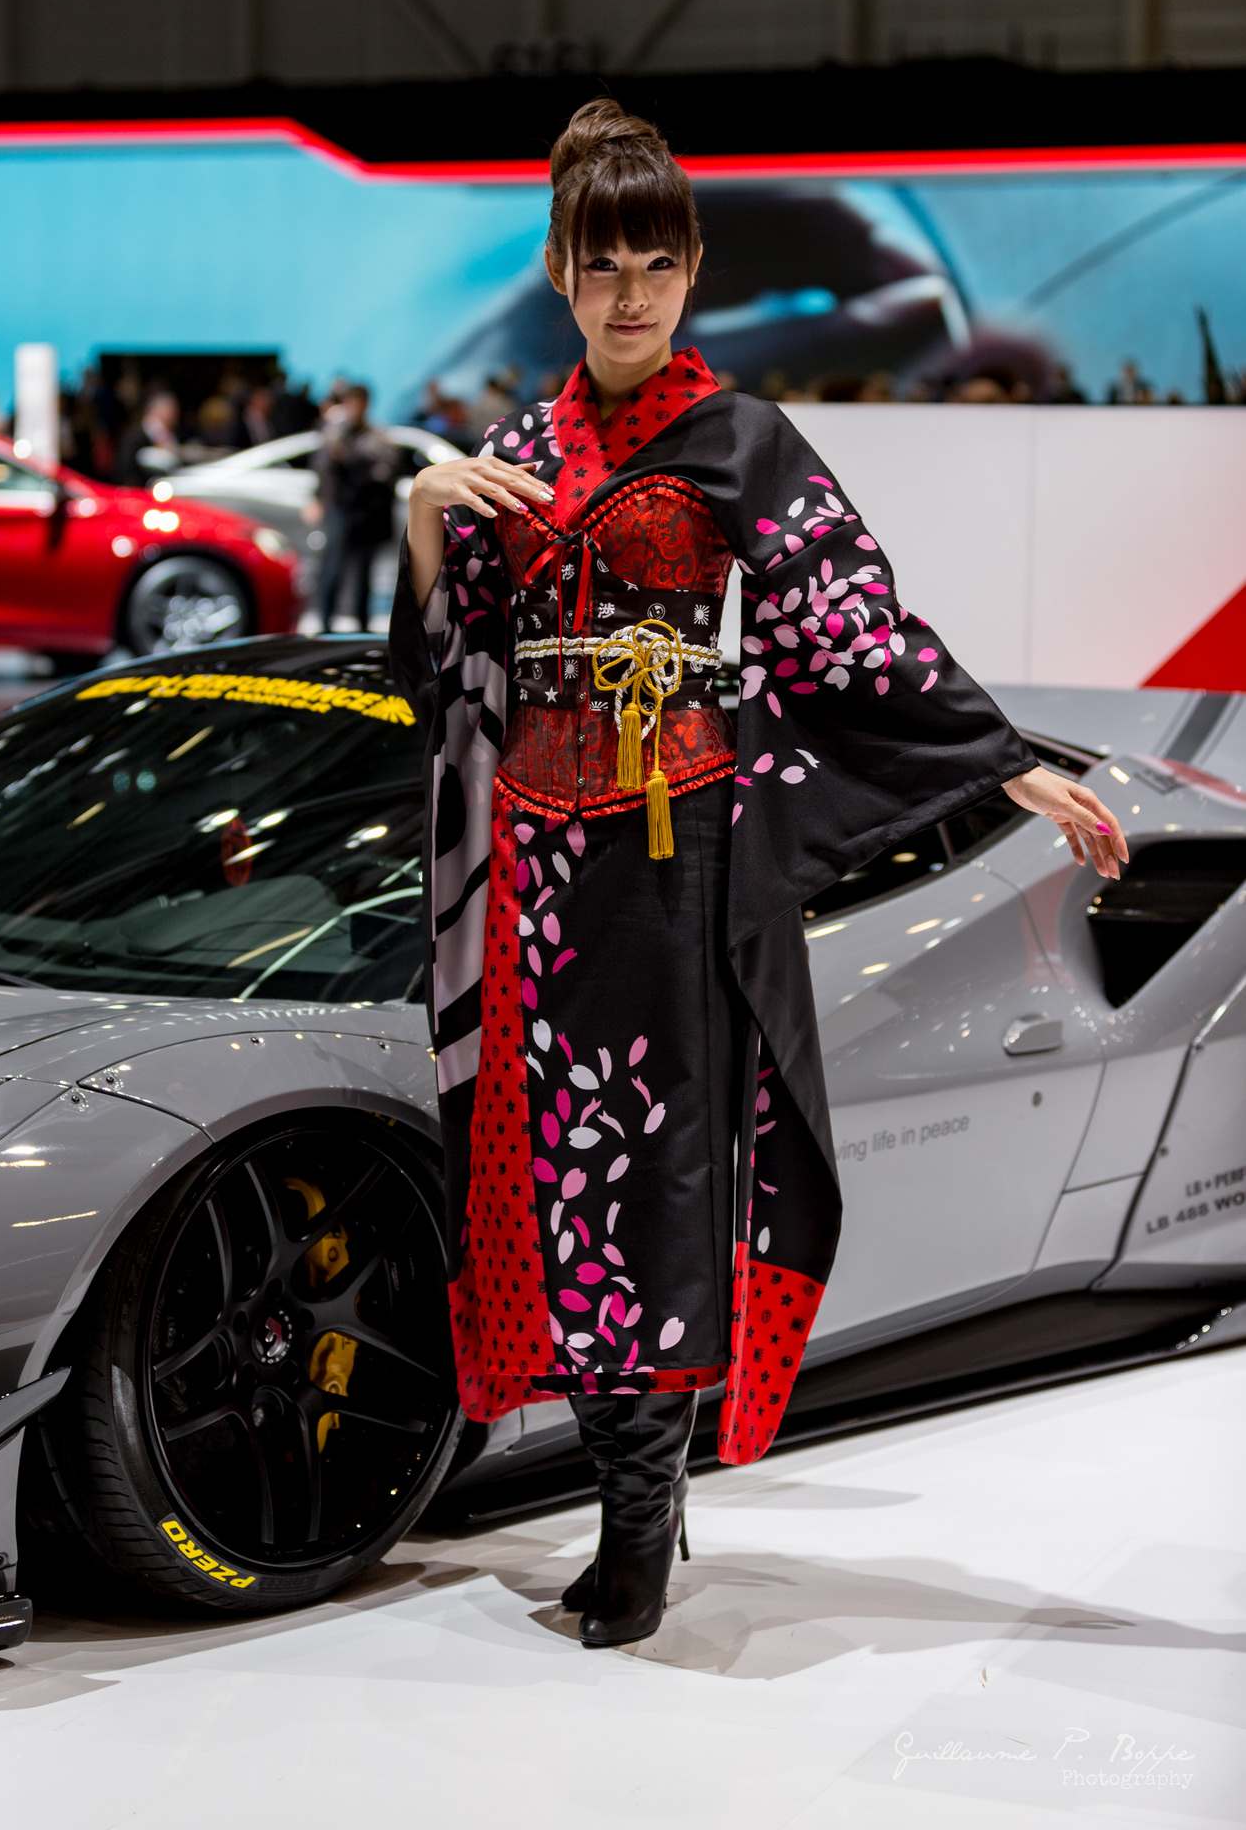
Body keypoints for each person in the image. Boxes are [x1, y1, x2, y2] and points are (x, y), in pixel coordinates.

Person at [385, 96, 1129, 1653]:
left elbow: (853, 632)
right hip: (539, 885)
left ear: (696, 267)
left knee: (653, 1180)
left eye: (659, 261)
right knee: (558, 1189)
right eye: (604, 265)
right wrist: (420, 522)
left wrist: (1006, 760)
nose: (634, 292)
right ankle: (616, 1501)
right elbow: (452, 677)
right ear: (559, 272)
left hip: (675, 877)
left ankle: (640, 1524)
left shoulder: (741, 441)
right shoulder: (513, 461)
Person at [310, 384, 400, 632]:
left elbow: (383, 473)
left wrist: (349, 458)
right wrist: (318, 499)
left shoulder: (377, 437)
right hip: (340, 511)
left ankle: (361, 629)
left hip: (366, 515)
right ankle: (324, 626)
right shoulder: (334, 434)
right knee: (331, 570)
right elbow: (322, 470)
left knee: (363, 576)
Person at [115, 387, 182, 487]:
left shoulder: (171, 434)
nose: (174, 414)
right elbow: (125, 470)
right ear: (155, 410)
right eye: (170, 409)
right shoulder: (134, 436)